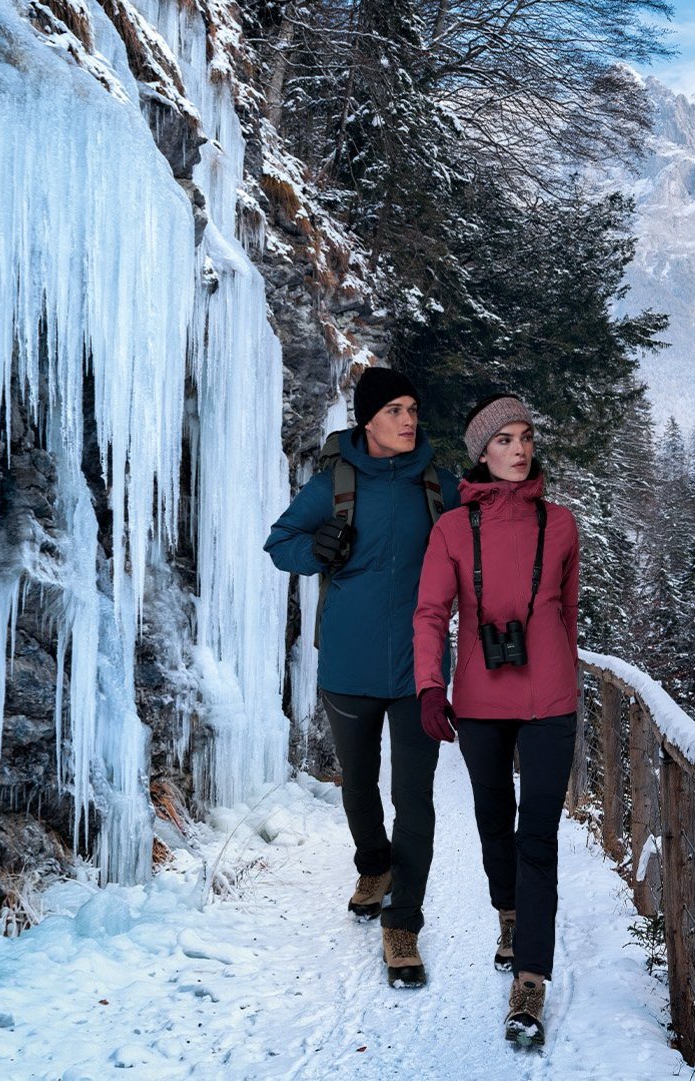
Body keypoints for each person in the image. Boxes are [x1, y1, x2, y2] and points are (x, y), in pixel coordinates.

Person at [264, 367, 459, 989]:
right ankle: (373, 864)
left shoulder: (440, 487)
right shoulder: (334, 485)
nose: (408, 420)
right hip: (347, 665)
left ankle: (402, 923)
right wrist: (314, 550)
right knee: (360, 785)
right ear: (367, 420)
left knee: (417, 797)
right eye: (395, 410)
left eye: (413, 409)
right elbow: (279, 543)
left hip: (419, 669)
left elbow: (488, 532)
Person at [412, 393, 581, 1047]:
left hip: (550, 702)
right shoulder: (453, 529)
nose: (520, 448)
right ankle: (507, 913)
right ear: (482, 452)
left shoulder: (562, 524)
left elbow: (567, 613)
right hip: (480, 701)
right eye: (505, 439)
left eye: (526, 437)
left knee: (536, 836)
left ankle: (530, 980)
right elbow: (430, 613)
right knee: (493, 821)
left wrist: (560, 673)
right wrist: (431, 685)